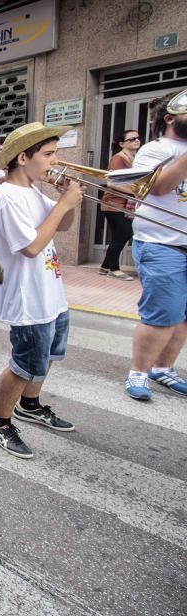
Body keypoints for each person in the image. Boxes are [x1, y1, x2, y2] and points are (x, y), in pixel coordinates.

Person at [0, 122, 83, 459]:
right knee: (23, 364)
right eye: (49, 154)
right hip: (27, 298)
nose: (55, 161)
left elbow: (62, 225)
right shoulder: (5, 197)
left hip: (50, 292)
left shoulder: (33, 191)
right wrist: (62, 204)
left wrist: (66, 202)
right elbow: (30, 246)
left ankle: (30, 404)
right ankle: (0, 422)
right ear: (23, 157)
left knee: (47, 356)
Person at [124, 91, 187, 400]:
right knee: (163, 314)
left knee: (184, 315)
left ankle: (163, 368)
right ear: (170, 118)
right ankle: (139, 371)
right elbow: (159, 187)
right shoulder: (154, 149)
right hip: (162, 243)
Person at [98, 129, 140, 281]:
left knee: (122, 235)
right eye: (132, 138)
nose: (137, 140)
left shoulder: (133, 158)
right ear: (122, 143)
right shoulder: (118, 158)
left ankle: (104, 266)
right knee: (122, 234)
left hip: (123, 203)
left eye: (137, 138)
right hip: (113, 203)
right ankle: (113, 269)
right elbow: (111, 182)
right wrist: (134, 192)